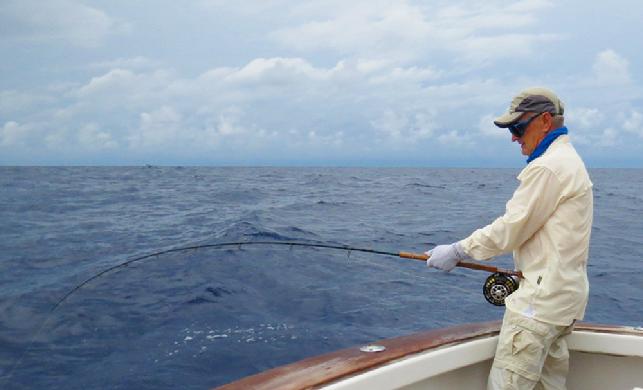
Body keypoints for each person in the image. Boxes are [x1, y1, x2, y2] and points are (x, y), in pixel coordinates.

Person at [426, 87, 593, 390]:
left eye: (517, 127)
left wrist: (457, 250)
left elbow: (510, 228)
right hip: (562, 303)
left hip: (539, 309)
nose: (514, 137)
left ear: (545, 121)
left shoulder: (548, 167)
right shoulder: (569, 160)